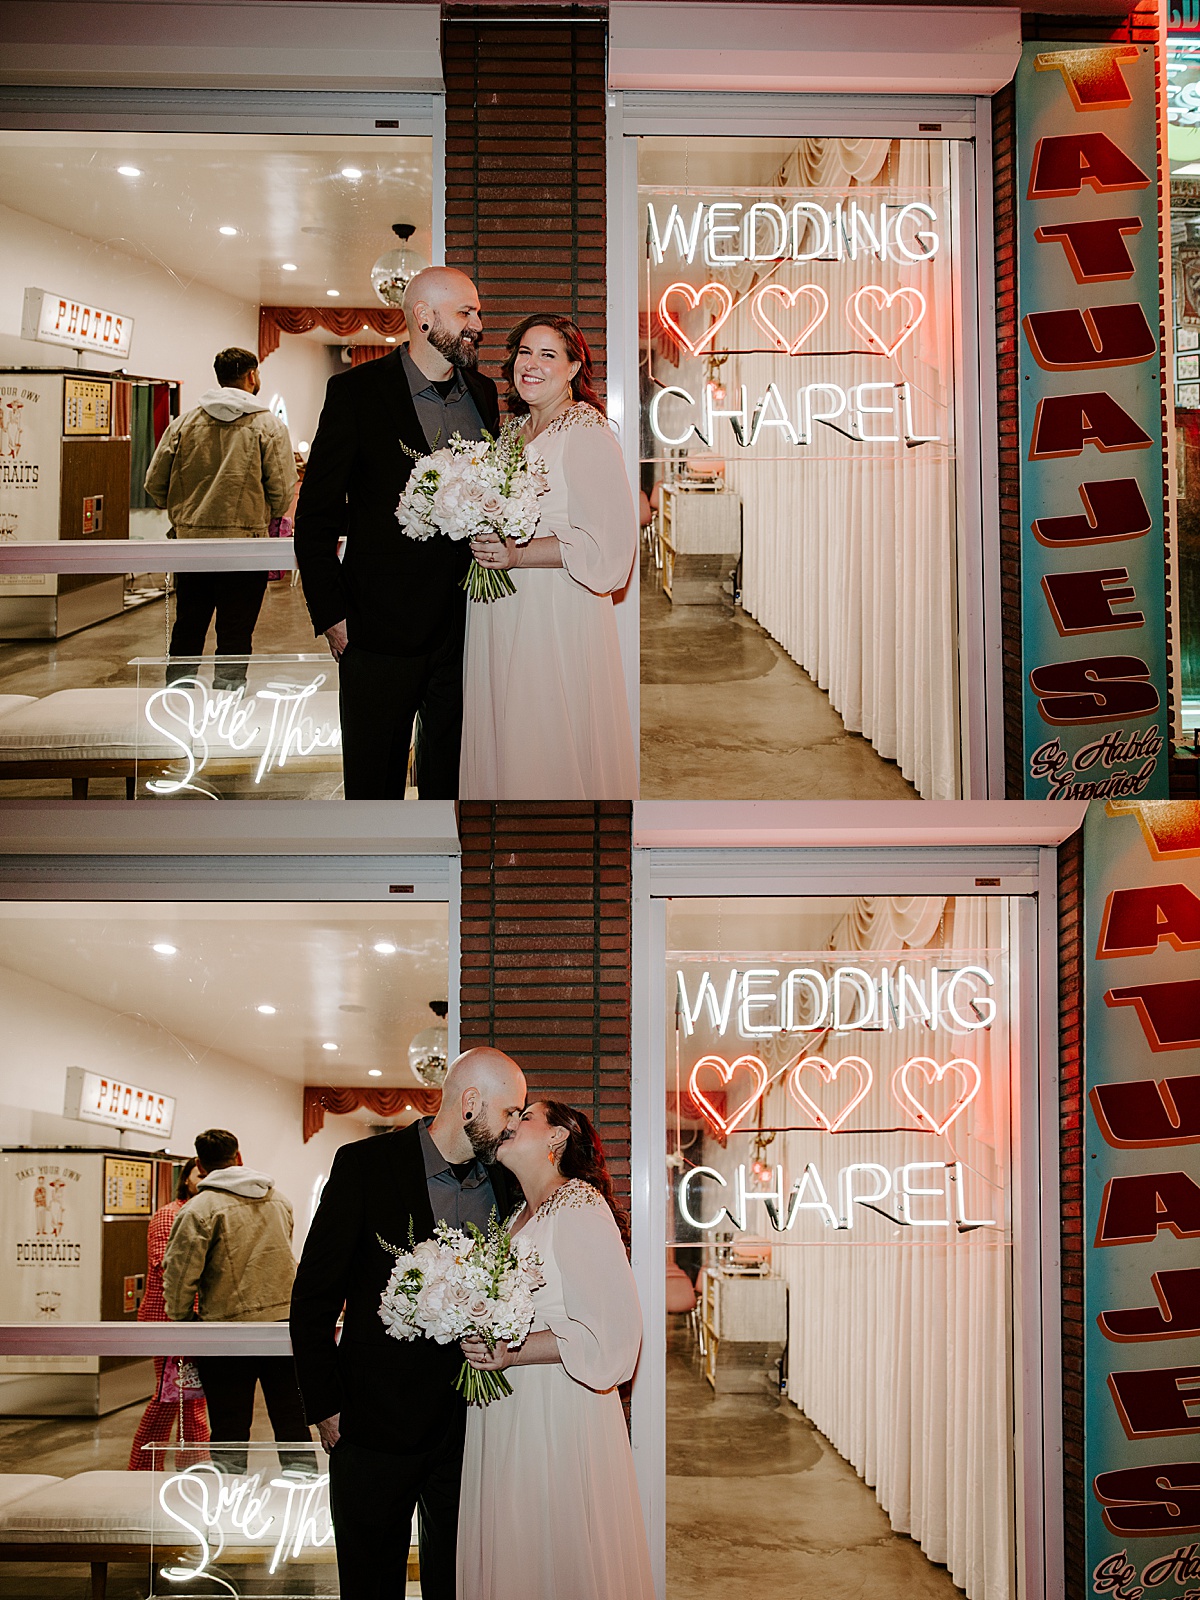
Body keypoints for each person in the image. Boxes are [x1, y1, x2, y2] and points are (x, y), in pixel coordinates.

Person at [289, 1048, 527, 1600]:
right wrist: (324, 1404)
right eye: (510, 1111)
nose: (514, 1125)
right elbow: (313, 1297)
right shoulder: (365, 1166)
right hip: (372, 1429)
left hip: (471, 1432)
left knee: (460, 1583)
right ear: (471, 1103)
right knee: (371, 1583)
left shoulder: (505, 1184)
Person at [294, 268, 500, 799]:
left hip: (465, 630)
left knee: (449, 782)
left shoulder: (483, 392)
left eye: (477, 312)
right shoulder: (356, 393)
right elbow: (314, 517)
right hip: (377, 631)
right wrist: (332, 614)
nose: (478, 323)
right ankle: (374, 882)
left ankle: (440, 879)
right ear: (424, 318)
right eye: (467, 313)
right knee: (374, 785)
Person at [456, 1099, 654, 1600]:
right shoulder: (517, 1215)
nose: (509, 1124)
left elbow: (612, 1332)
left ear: (556, 1139)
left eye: (525, 1117)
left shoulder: (579, 1203)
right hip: (503, 1406)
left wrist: (513, 1351)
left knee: (553, 1541)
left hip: (554, 1409)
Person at [461, 314, 638, 799]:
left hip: (553, 614)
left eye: (548, 355)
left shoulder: (585, 432)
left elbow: (611, 547)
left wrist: (518, 555)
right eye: (524, 352)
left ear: (573, 367)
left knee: (542, 729)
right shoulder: (511, 431)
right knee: (506, 724)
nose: (531, 365)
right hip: (499, 609)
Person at [145, 347, 297, 691]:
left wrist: (186, 513)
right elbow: (282, 492)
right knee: (236, 632)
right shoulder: (267, 425)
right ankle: (227, 707)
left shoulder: (184, 423)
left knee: (188, 626)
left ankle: (177, 701)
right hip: (246, 548)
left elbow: (154, 483)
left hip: (191, 546)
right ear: (252, 376)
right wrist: (261, 514)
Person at [162, 1128, 312, 1476]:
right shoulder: (278, 1199)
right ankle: (302, 1493)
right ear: (239, 1157)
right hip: (284, 1326)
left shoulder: (199, 1210)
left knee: (230, 1426)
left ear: (200, 1165)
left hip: (227, 1331)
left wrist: (181, 1320)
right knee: (292, 1419)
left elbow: (181, 1273)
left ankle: (229, 1500)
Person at [127, 1157, 210, 1470]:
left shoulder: (204, 1212)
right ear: (185, 1177)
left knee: (188, 1399)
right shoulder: (169, 1215)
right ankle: (149, 1468)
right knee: (173, 1398)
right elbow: (166, 1266)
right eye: (198, 1174)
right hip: (171, 1321)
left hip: (194, 1323)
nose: (204, 1180)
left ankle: (189, 1468)